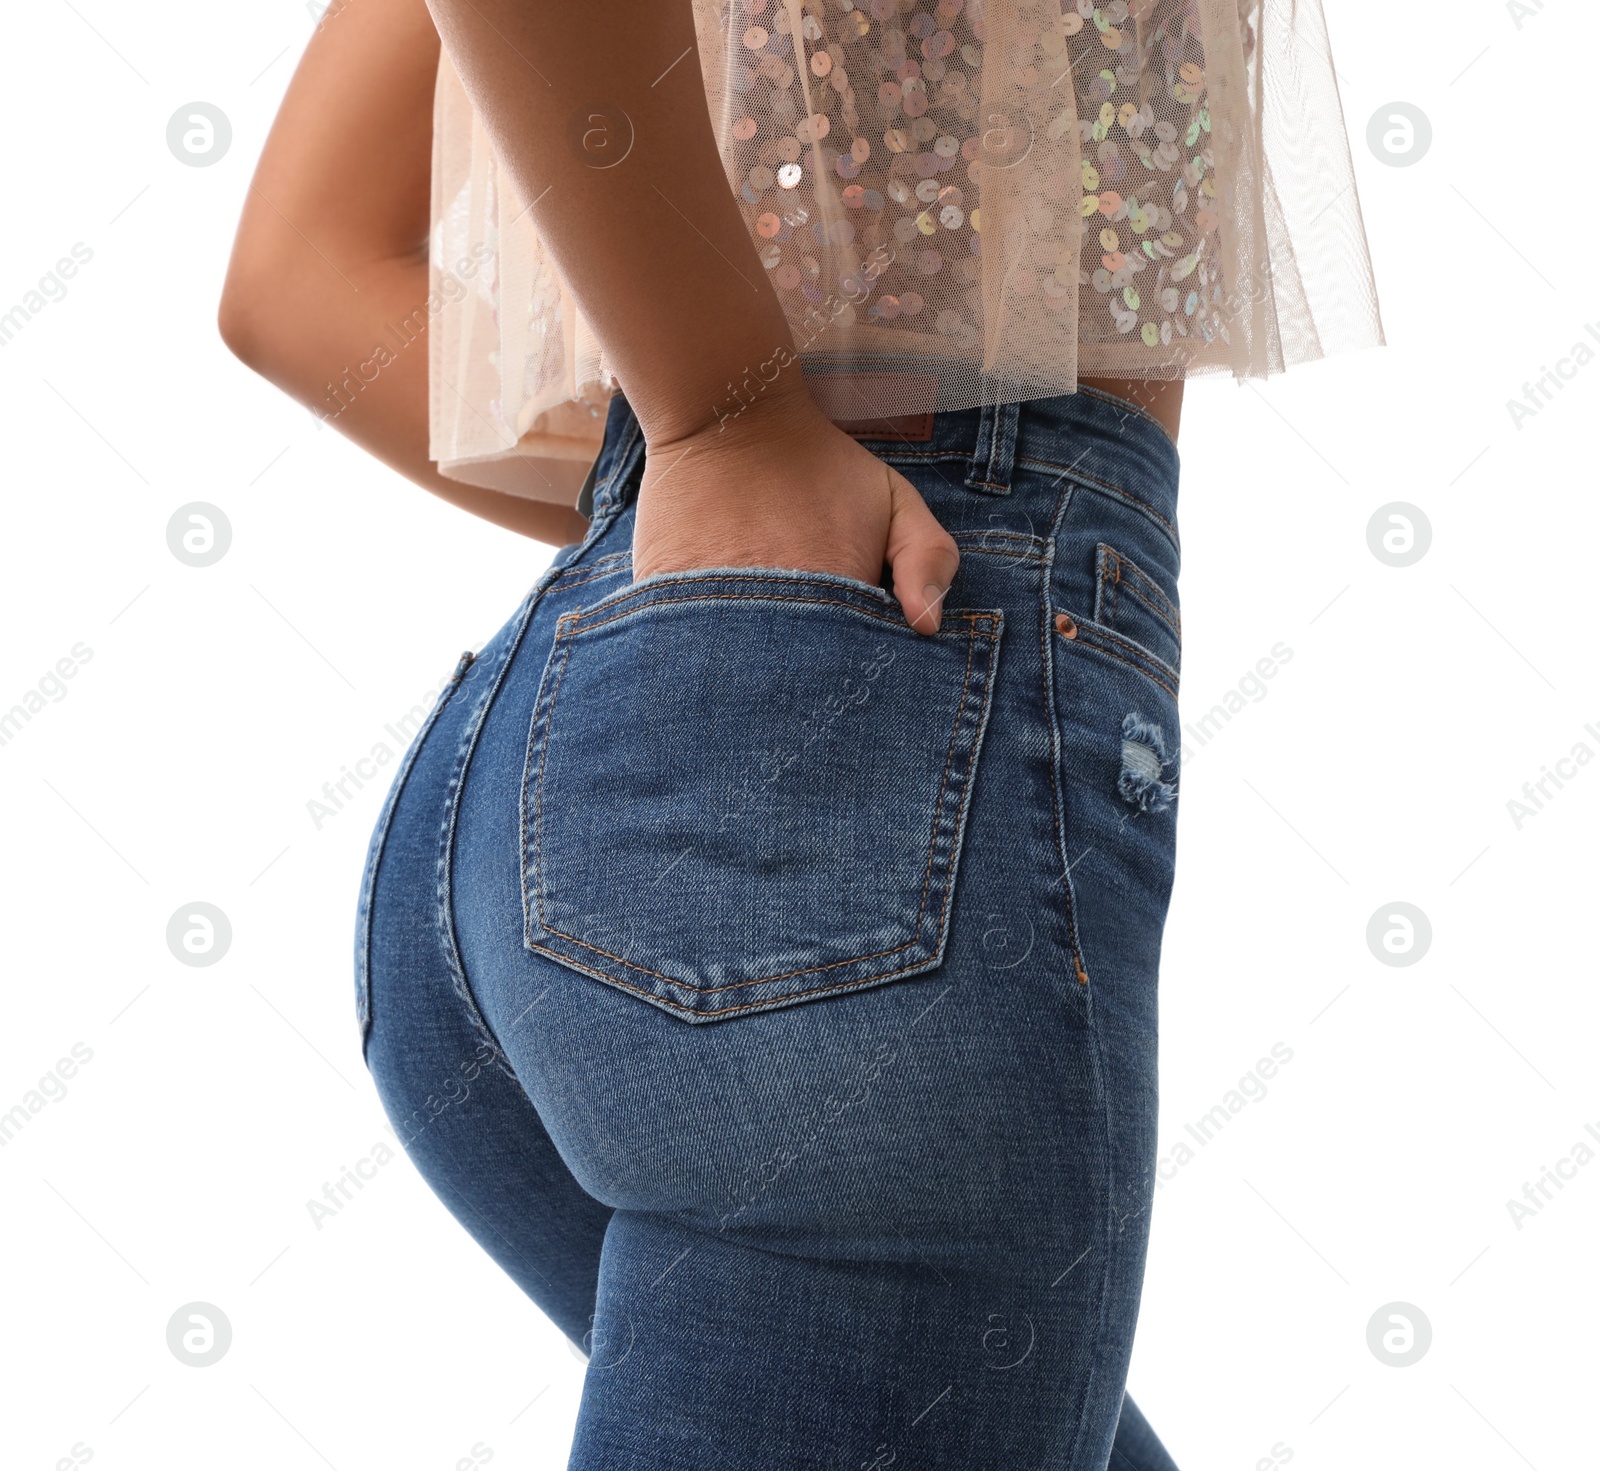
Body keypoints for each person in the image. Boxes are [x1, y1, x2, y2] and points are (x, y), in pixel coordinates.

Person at [220, 0, 1381, 1464]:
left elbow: (295, 272)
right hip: (855, 804)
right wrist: (724, 426)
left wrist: (739, 474)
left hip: (578, 799)